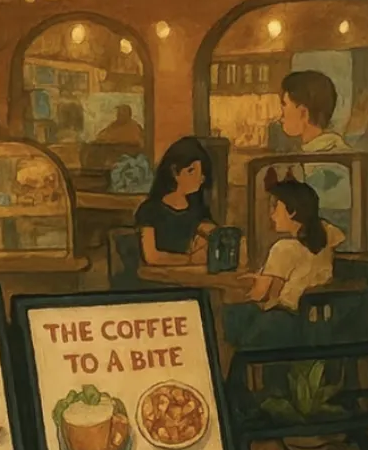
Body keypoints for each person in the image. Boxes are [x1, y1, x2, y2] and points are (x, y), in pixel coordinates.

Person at [225, 178, 344, 348]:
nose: (271, 214)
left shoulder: (284, 249)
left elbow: (264, 296)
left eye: (275, 208)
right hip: (314, 323)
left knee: (228, 316)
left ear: (292, 211)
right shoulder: (326, 237)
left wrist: (249, 285)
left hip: (283, 322)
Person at [135, 137, 217, 267]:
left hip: (189, 278)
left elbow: (211, 233)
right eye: (191, 171)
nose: (200, 178)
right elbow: (152, 257)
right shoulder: (150, 210)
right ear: (174, 172)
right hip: (156, 279)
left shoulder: (197, 210)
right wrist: (189, 260)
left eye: (201, 172)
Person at [271, 70, 350, 154]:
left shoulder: (326, 159)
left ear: (303, 113)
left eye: (284, 105)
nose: (280, 119)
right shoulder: (321, 150)